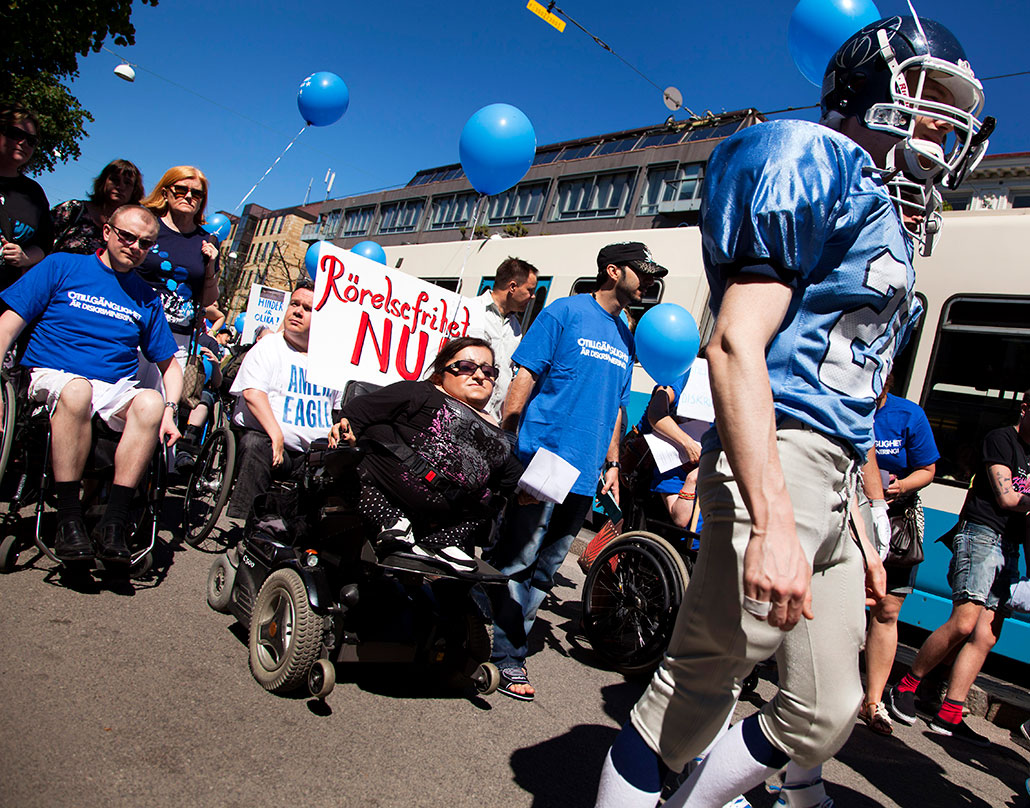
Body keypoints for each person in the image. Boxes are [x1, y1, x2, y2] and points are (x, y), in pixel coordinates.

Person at [595, 16, 987, 808]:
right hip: (779, 445)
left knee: (826, 709)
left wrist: (869, 521)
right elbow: (736, 343)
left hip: (838, 476)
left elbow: (860, 399)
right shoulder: (811, 156)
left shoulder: (896, 218)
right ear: (868, 86)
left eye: (955, 105)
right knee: (700, 683)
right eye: (930, 93)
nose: (944, 120)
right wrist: (773, 519)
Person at [486, 241, 667, 700]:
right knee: (520, 558)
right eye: (640, 272)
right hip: (544, 457)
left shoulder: (628, 335)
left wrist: (611, 464)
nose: (648, 281)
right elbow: (524, 377)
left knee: (547, 568)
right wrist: (509, 439)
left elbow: (616, 409)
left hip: (586, 472)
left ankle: (486, 620)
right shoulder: (564, 313)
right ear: (612, 271)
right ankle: (507, 657)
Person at [0, 204, 181, 564]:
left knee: (150, 402)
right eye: (127, 236)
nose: (134, 246)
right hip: (53, 376)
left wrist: (171, 410)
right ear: (108, 233)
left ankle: (112, 523)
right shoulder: (61, 265)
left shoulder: (147, 297)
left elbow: (170, 367)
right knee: (78, 389)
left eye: (145, 243)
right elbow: (9, 322)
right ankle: (69, 519)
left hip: (112, 387)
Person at [887, 390, 1029, 747]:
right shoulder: (1001, 439)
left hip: (1008, 544)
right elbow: (1008, 498)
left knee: (986, 634)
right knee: (965, 620)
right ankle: (905, 686)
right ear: (1025, 408)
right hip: (980, 534)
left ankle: (949, 711)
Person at [329, 336, 524, 571]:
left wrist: (528, 491)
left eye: (488, 371)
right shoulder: (420, 392)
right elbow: (359, 411)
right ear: (440, 373)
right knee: (370, 440)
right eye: (466, 367)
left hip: (453, 514)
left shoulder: (497, 431)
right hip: (392, 488)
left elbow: (512, 476)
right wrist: (345, 429)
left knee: (492, 496)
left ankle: (442, 542)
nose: (480, 375)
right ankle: (389, 520)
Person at [857, 378, 939, 736]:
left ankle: (873, 701)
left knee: (887, 609)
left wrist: (901, 486)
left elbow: (928, 469)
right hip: (846, 512)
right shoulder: (845, 402)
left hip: (893, 522)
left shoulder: (909, 415)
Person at [225, 279, 342, 524]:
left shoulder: (331, 361)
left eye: (308, 308)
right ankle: (249, 527)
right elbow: (253, 393)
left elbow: (337, 410)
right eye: (294, 304)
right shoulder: (269, 346)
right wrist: (276, 434)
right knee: (257, 444)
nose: (297, 311)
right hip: (273, 444)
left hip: (312, 453)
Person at [136, 166, 222, 445]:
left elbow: (209, 300)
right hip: (134, 329)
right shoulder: (147, 225)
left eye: (197, 193)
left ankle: (144, 483)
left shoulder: (207, 241)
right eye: (181, 189)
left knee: (162, 417)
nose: (189, 196)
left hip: (178, 339)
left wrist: (210, 266)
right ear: (165, 191)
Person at [467, 257, 539, 421]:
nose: (533, 296)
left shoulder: (515, 328)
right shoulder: (472, 310)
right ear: (512, 287)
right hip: (464, 409)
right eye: (530, 290)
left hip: (492, 418)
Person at [0, 106, 51, 288]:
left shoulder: (34, 194)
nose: (23, 143)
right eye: (15, 134)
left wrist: (24, 256)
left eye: (31, 140)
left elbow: (44, 245)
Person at [50, 159, 145, 255]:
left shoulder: (132, 229)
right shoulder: (74, 209)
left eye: (127, 183)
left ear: (134, 190)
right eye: (115, 180)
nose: (120, 186)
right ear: (103, 182)